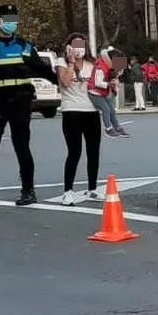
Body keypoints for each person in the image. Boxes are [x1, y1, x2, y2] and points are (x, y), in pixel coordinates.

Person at [0, 3, 59, 210]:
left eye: (14, 20)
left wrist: (64, 81)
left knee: (22, 147)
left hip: (20, 101)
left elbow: (43, 70)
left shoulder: (24, 46)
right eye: (8, 20)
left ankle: (28, 191)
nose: (12, 24)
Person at [54, 34, 102, 206]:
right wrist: (71, 62)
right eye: (75, 45)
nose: (79, 48)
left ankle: (92, 188)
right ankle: (68, 191)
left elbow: (100, 85)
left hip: (91, 111)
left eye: (82, 44)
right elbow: (66, 82)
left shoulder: (93, 64)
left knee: (93, 151)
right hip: (72, 111)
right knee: (74, 152)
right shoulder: (61, 63)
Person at [88, 47, 128, 138]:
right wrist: (109, 84)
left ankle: (117, 128)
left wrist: (114, 79)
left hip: (102, 93)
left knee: (112, 110)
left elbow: (114, 75)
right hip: (94, 92)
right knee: (106, 109)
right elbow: (97, 83)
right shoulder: (100, 67)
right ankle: (108, 129)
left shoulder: (108, 66)